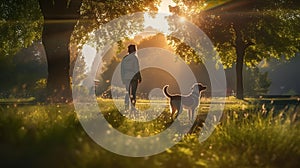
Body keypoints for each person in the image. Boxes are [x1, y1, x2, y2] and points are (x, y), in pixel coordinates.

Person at [121, 44, 142, 112]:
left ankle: (126, 107)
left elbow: (122, 70)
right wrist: (139, 77)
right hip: (134, 77)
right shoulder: (134, 58)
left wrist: (123, 78)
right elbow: (136, 69)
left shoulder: (125, 58)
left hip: (126, 77)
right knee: (133, 93)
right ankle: (133, 108)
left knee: (127, 92)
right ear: (134, 50)